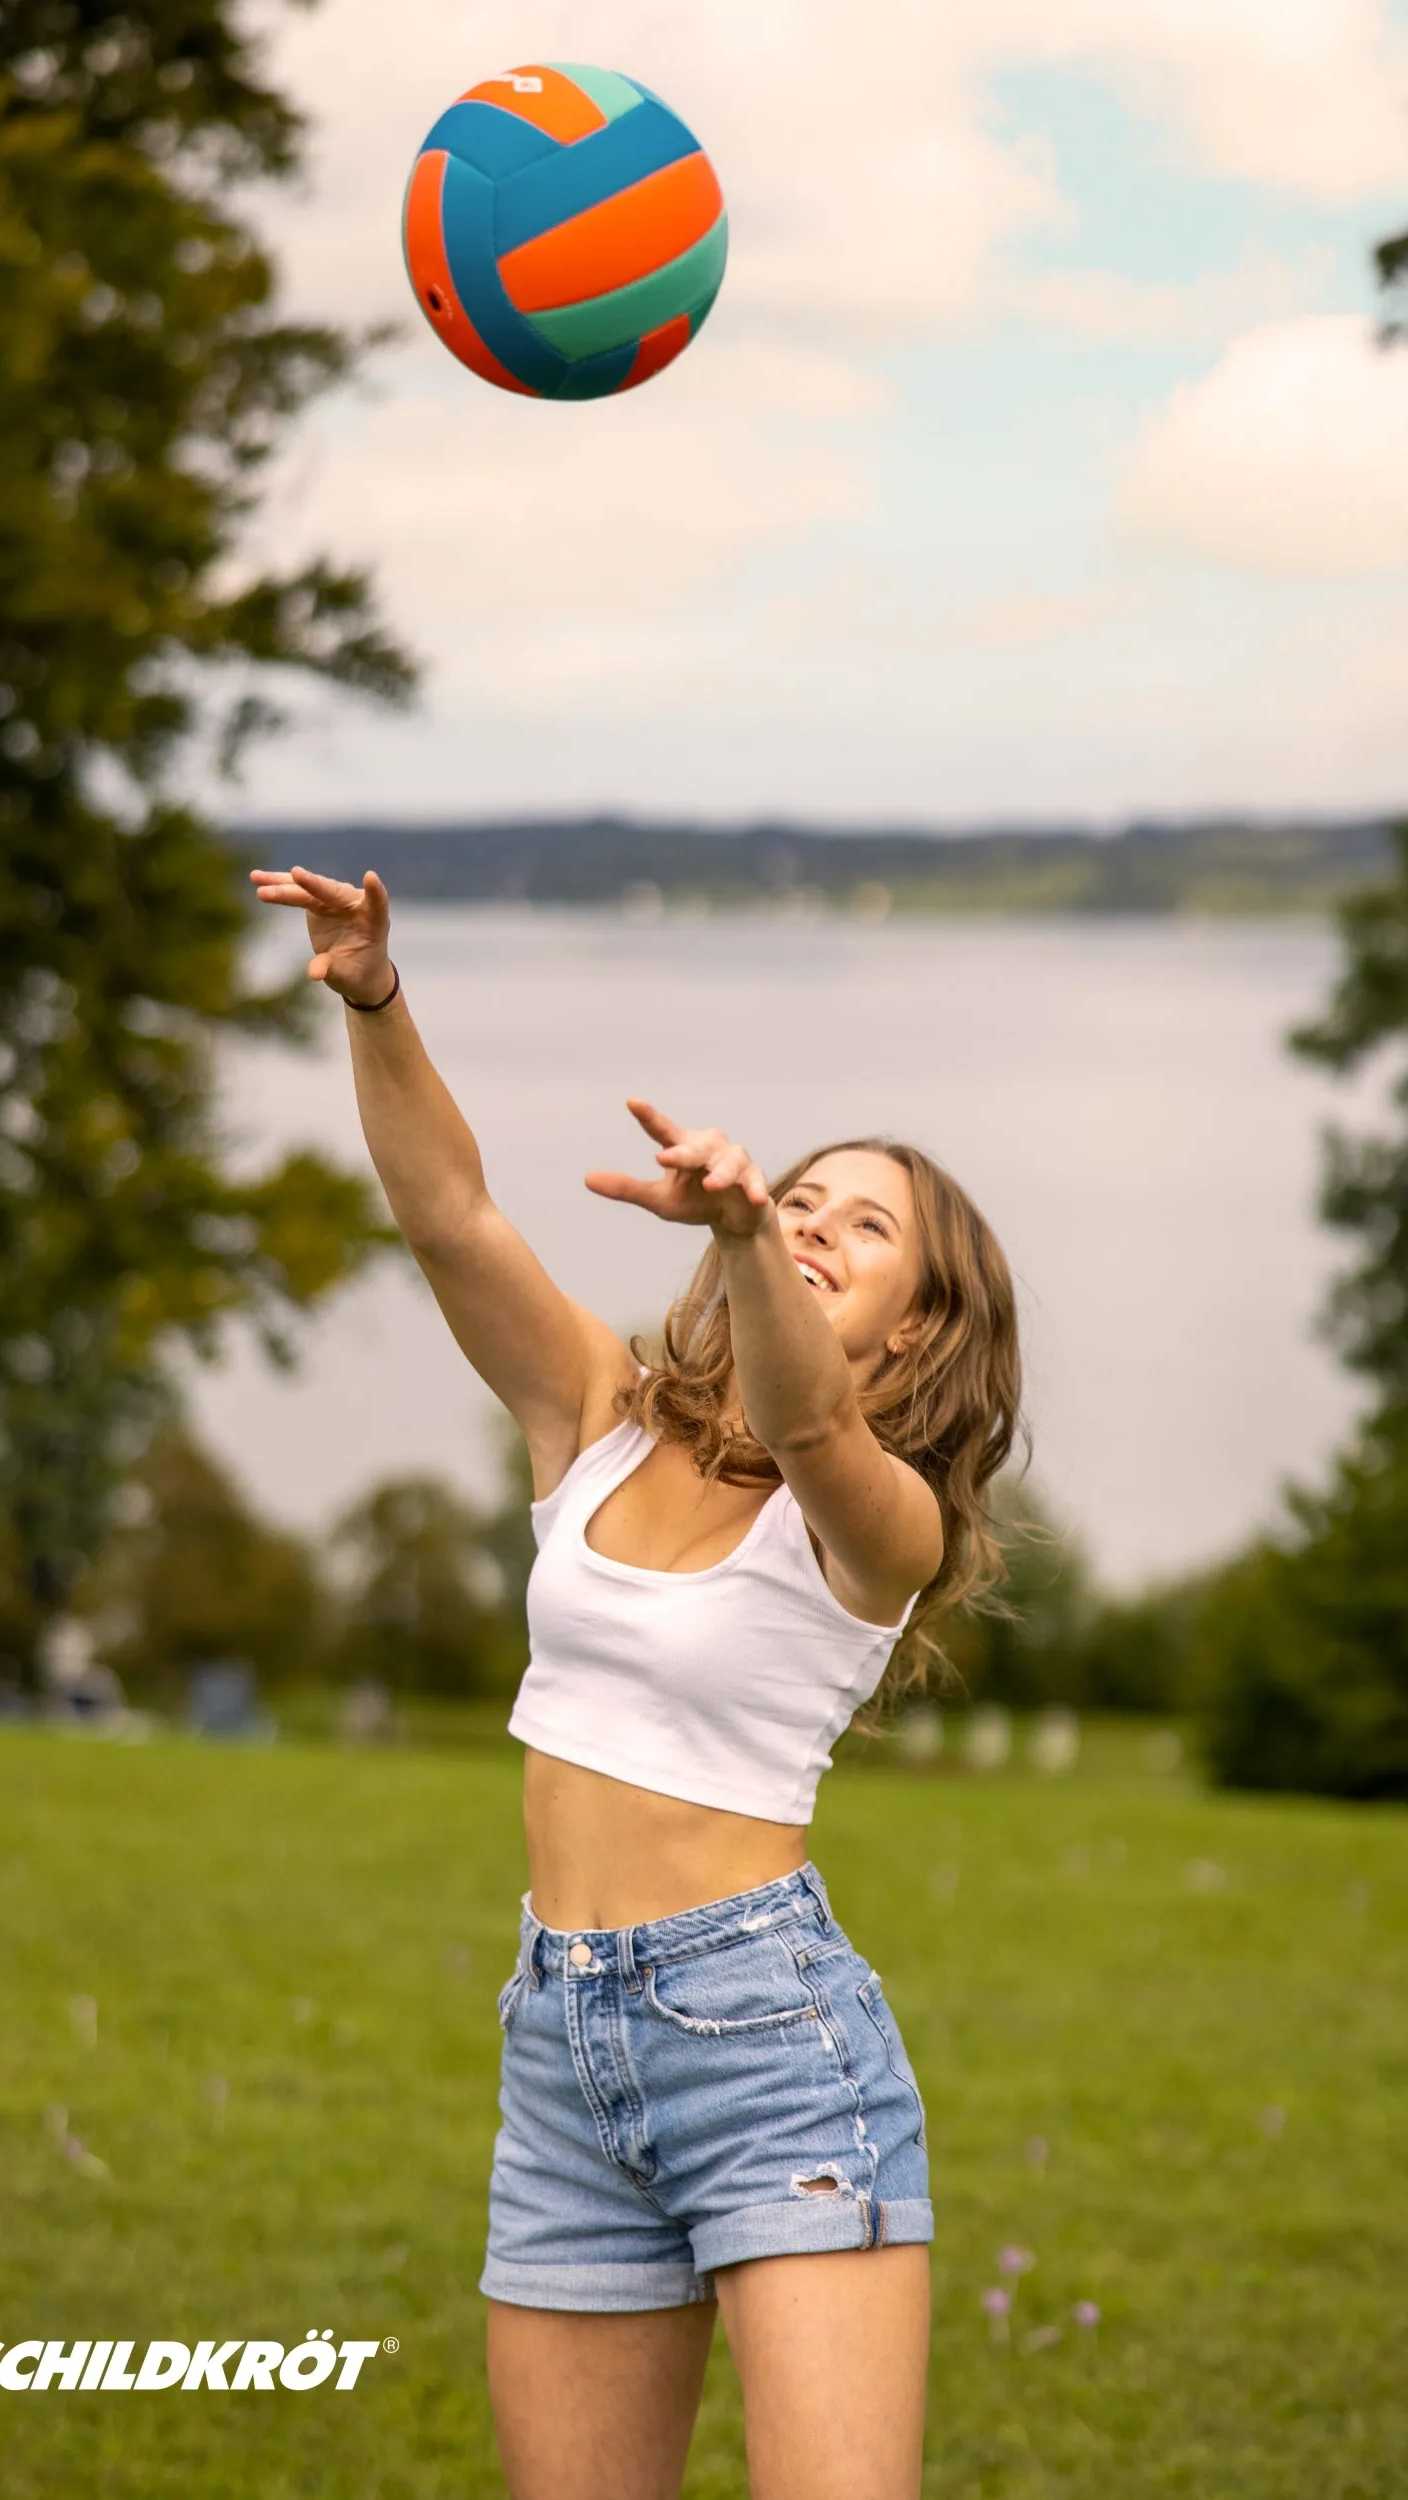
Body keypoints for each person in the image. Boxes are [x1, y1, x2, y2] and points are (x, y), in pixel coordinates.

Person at [252, 863, 1024, 2500]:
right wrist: (378, 1001)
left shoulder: (884, 1524)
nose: (813, 1221)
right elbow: (451, 1220)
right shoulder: (604, 1421)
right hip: (561, 2043)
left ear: (914, 1332)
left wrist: (747, 1232)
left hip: (767, 2044)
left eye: (858, 1228)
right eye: (801, 1198)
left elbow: (812, 1426)